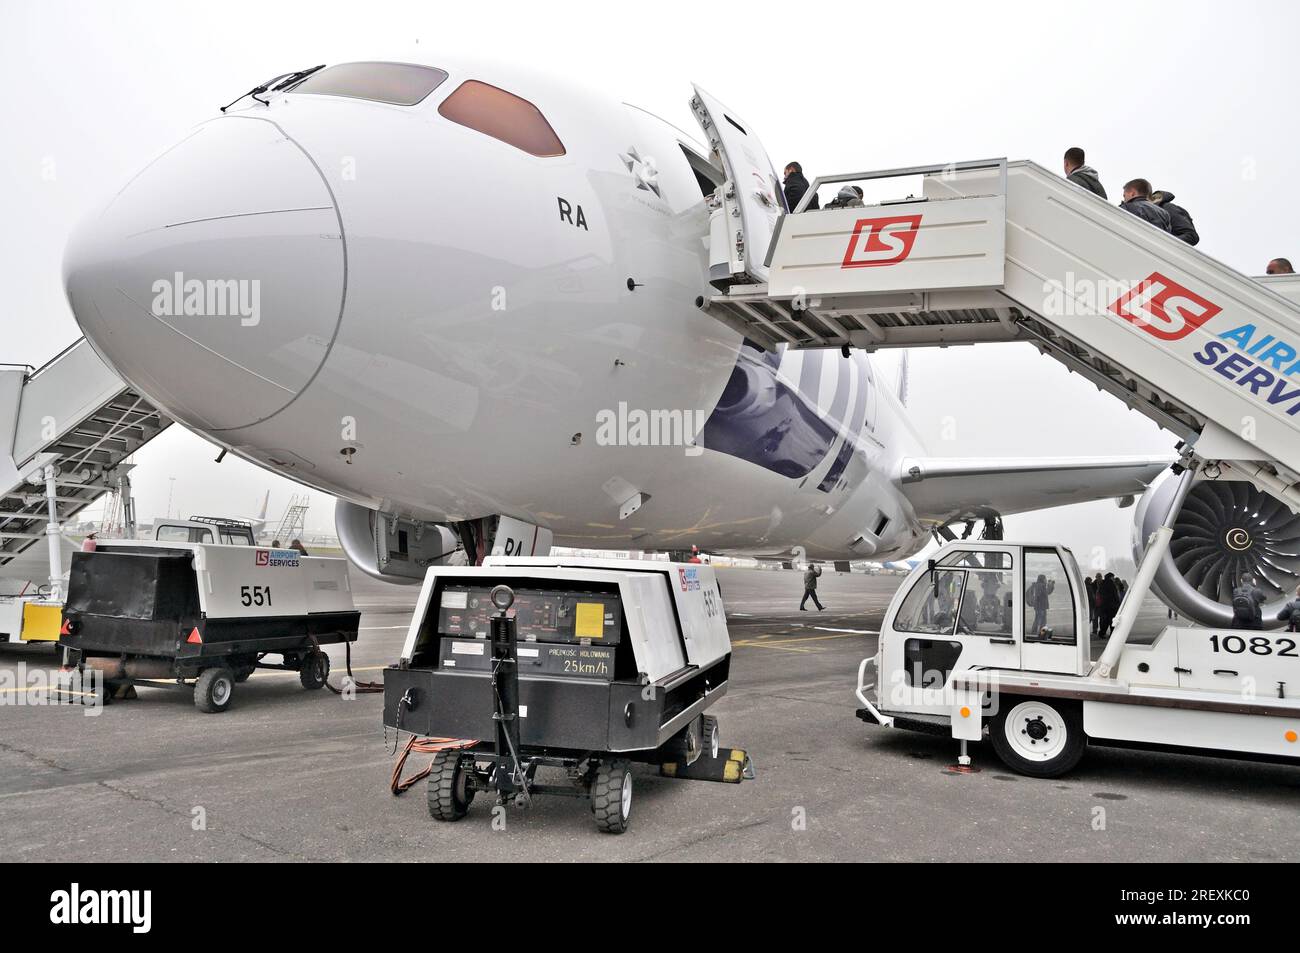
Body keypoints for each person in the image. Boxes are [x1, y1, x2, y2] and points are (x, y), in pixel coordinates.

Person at [1097, 572, 1122, 638]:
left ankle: (1102, 633)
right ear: (1110, 577)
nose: (1114, 578)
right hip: (1112, 606)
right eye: (1113, 577)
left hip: (1104, 606)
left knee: (1105, 621)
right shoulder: (1111, 584)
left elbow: (1100, 594)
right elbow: (1115, 595)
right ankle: (1112, 634)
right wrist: (1117, 603)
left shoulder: (1102, 584)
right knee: (1112, 621)